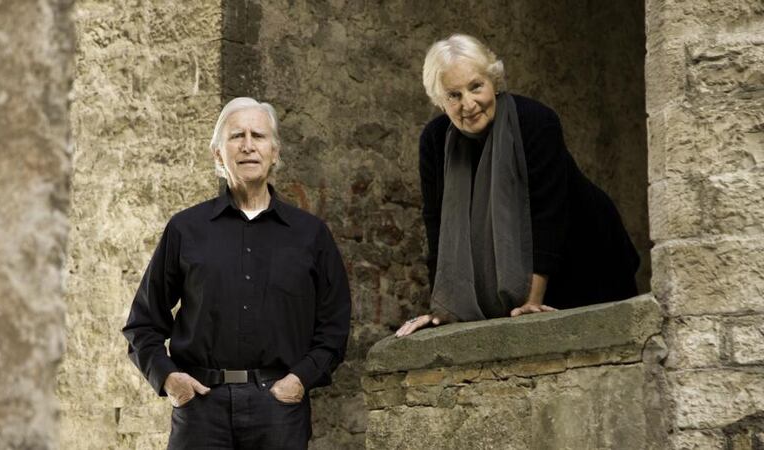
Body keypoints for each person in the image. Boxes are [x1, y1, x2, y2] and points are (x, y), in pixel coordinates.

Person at [122, 97, 351, 449]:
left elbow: (334, 327)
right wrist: (169, 380)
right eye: (236, 136)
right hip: (200, 408)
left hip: (279, 410)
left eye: (258, 136)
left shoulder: (310, 234)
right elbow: (143, 323)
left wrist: (300, 380)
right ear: (218, 154)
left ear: (275, 152)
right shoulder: (186, 229)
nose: (248, 145)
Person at [396, 34, 639, 337]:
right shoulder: (434, 141)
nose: (468, 104)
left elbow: (548, 214)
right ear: (440, 100)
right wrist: (443, 308)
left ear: (493, 81)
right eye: (453, 95)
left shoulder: (536, 121)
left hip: (585, 253)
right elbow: (438, 226)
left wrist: (532, 301)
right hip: (534, 259)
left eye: (476, 87)